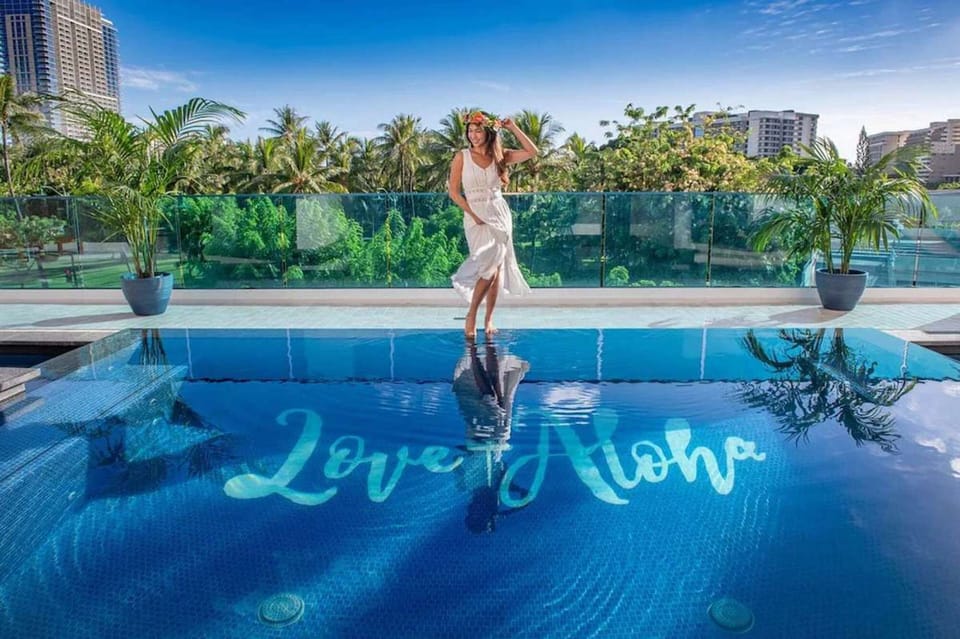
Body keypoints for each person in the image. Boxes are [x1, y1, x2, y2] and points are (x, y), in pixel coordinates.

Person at [448, 111, 538, 340]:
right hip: (474, 217)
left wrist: (513, 127)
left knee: (495, 268)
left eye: (478, 130)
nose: (474, 135)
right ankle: (473, 315)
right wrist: (473, 214)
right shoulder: (462, 156)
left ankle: (485, 318)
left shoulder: (500, 155)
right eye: (470, 130)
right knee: (486, 266)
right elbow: (454, 193)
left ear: (488, 132)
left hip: (498, 214)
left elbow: (532, 152)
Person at [451, 339, 531, 533]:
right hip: (493, 437)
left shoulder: (470, 485)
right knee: (496, 392)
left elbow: (458, 457)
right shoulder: (485, 488)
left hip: (491, 437)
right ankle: (480, 353)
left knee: (494, 392)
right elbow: (458, 456)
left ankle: (481, 353)